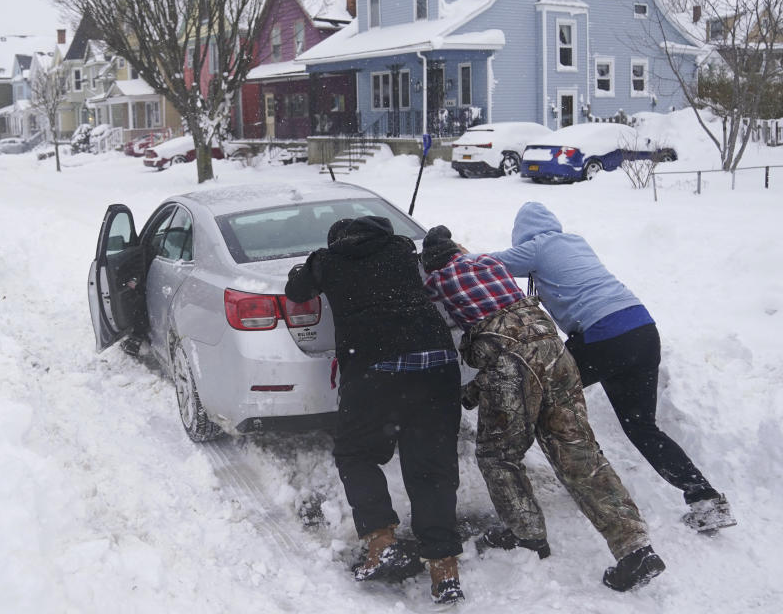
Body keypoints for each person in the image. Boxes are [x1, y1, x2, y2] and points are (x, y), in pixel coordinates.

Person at [421, 225, 665, 592]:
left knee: (498, 454)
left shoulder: (438, 279)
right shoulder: (489, 263)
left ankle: (526, 534)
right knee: (578, 451)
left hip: (511, 365)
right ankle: (635, 548)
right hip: (557, 356)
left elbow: (429, 305)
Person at [489, 202, 735, 534]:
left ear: (523, 235)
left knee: (542, 392)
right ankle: (704, 497)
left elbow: (490, 265)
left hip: (603, 334)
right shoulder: (575, 241)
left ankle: (588, 479)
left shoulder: (538, 247)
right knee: (642, 426)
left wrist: (452, 254)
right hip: (642, 330)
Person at [285, 216, 465, 606]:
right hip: (436, 364)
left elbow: (296, 291)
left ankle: (382, 541)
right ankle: (443, 568)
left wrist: (305, 268)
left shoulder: (327, 261)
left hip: (376, 368)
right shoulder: (401, 249)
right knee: (432, 467)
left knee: (356, 454)